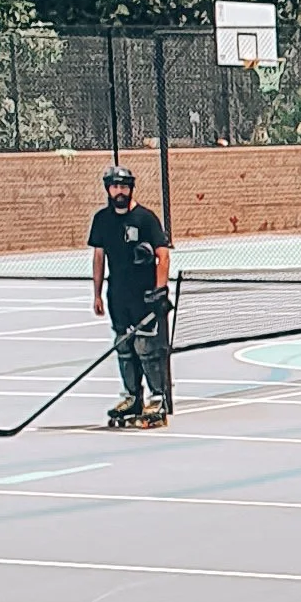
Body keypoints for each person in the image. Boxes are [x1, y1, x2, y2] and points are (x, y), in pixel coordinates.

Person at [87, 164, 172, 430]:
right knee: (124, 346)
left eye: (124, 186)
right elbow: (98, 257)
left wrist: (160, 290)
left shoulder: (145, 218)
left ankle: (157, 399)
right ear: (108, 189)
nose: (119, 191)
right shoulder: (102, 219)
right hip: (117, 294)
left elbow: (163, 255)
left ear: (131, 188)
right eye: (115, 187)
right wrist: (97, 294)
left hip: (144, 295)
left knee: (146, 347)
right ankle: (132, 397)